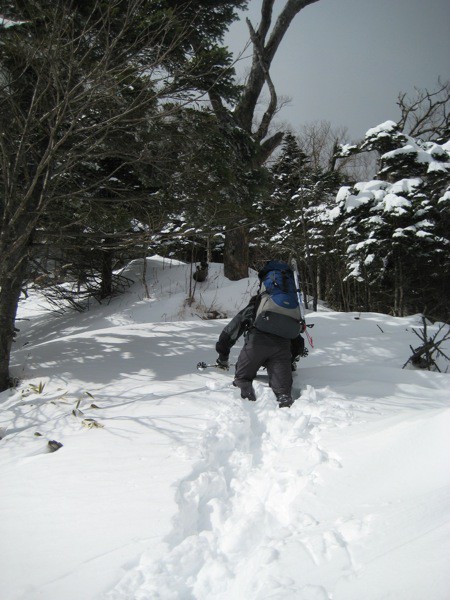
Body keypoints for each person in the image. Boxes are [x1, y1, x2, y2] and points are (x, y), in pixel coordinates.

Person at [215, 285, 307, 408]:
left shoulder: (254, 307)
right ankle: (286, 414)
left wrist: (223, 357)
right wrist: (290, 363)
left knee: (242, 379)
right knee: (283, 392)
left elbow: (229, 333)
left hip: (255, 347)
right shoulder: (288, 312)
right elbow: (298, 342)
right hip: (281, 351)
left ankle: (248, 406)